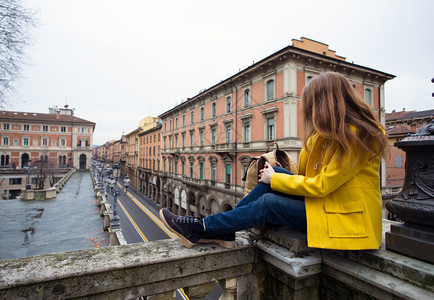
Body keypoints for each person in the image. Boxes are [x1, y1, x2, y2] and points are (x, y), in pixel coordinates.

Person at [160, 72, 388, 250]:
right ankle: (223, 230)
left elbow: (322, 185)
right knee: (271, 180)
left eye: (312, 104)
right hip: (327, 207)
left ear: (328, 102)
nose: (309, 111)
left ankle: (203, 228)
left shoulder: (359, 136)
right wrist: (278, 175)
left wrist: (277, 179)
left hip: (347, 221)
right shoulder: (321, 137)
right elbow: (308, 180)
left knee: (269, 202)